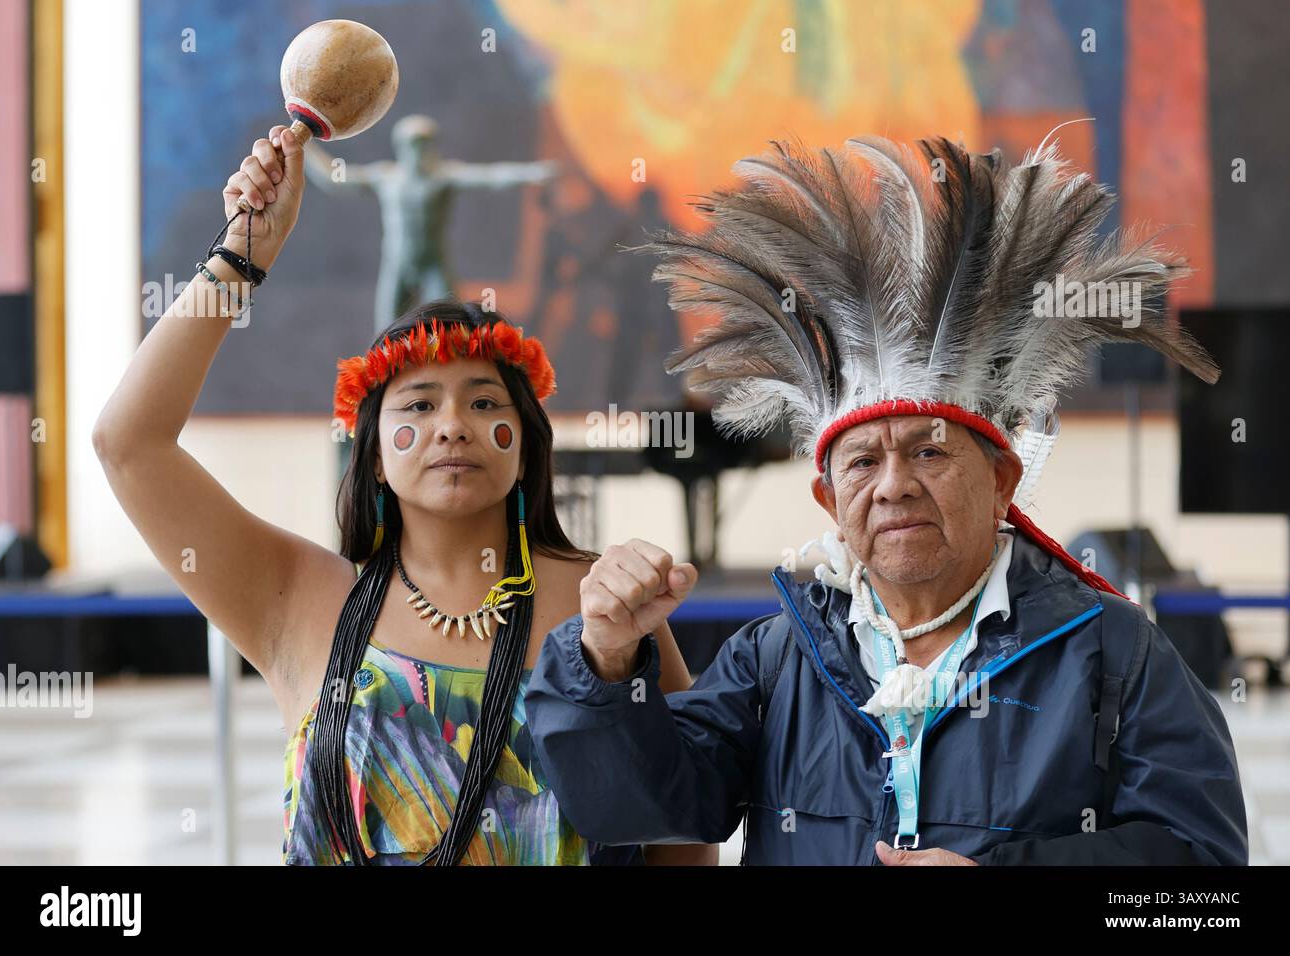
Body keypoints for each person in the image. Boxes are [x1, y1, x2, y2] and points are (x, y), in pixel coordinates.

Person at [525, 131, 1249, 865]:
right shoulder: (776, 660)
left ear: (1001, 480)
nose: (894, 484)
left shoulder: (1113, 653)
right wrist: (607, 664)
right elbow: (646, 810)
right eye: (863, 461)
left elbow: (1200, 882)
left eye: (930, 451)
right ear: (829, 500)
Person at [93, 125, 713, 865]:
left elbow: (685, 839)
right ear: (377, 458)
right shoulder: (295, 597)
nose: (453, 425)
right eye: (417, 406)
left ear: (526, 444)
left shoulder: (604, 602)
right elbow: (127, 445)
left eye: (485, 404)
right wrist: (241, 258)